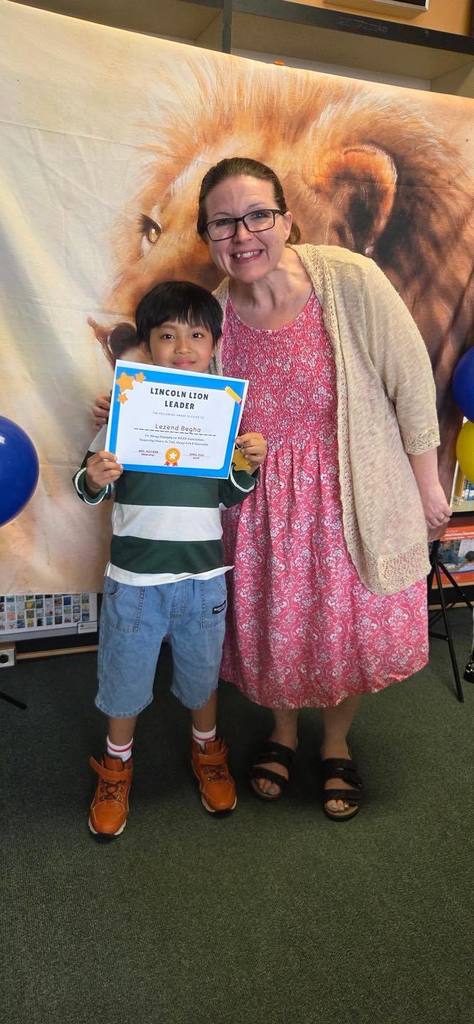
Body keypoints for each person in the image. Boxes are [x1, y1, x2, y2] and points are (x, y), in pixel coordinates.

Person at [94, 157, 451, 821]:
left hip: (352, 490)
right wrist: (119, 410)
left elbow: (411, 380)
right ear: (207, 235)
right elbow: (180, 394)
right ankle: (283, 735)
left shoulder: (348, 280)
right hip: (259, 508)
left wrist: (429, 483)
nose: (244, 233)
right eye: (225, 222)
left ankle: (336, 744)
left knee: (347, 630)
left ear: (286, 220)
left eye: (259, 215)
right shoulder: (217, 316)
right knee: (279, 632)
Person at [75, 280, 267, 838]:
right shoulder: (122, 413)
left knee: (202, 677)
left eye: (196, 334)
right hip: (134, 581)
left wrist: (247, 466)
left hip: (203, 580)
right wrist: (95, 475)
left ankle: (207, 753)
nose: (182, 346)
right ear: (149, 345)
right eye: (167, 334)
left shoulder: (222, 417)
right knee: (124, 679)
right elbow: (86, 487)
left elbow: (228, 494)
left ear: (214, 344)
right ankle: (116, 767)